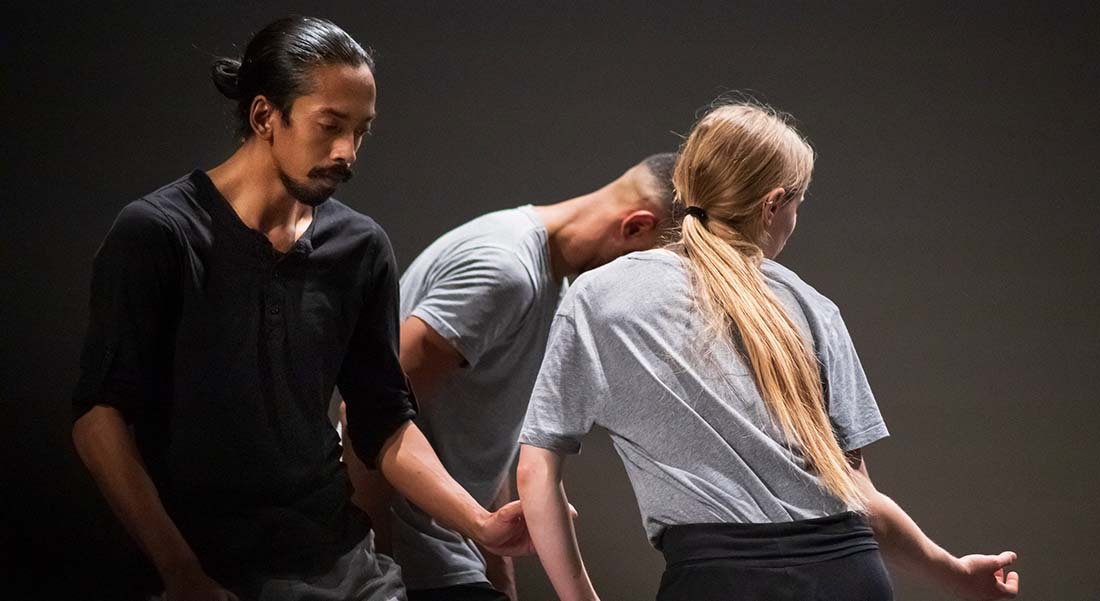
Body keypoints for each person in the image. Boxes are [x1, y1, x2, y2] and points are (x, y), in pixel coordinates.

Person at [71, 16, 531, 601]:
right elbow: (98, 416)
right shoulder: (159, 233)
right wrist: (179, 569)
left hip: (339, 562)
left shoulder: (360, 248)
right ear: (265, 116)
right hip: (207, 567)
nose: (348, 153)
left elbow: (383, 419)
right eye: (330, 126)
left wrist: (482, 523)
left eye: (361, 131)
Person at [515, 103, 1021, 601]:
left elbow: (536, 469)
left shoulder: (603, 297)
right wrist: (953, 573)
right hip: (850, 576)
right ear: (773, 203)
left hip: (720, 582)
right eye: (799, 205)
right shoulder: (810, 306)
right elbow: (860, 497)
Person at [342, 154, 677, 601]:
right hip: (408, 569)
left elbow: (486, 442)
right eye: (653, 269)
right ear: (636, 226)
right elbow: (364, 412)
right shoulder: (506, 272)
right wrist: (372, 578)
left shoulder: (548, 286)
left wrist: (501, 581)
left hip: (448, 561)